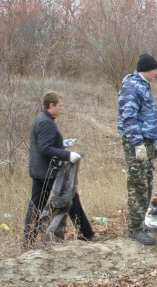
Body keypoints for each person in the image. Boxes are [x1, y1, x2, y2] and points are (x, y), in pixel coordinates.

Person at [23, 91, 102, 250]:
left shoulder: (41, 118)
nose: (62, 108)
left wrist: (62, 144)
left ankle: (28, 241)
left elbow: (44, 144)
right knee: (71, 198)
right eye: (60, 105)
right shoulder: (46, 122)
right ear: (51, 105)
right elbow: (45, 148)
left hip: (39, 171)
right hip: (48, 172)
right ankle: (86, 234)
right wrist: (68, 154)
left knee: (36, 206)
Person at [117, 53, 157, 245]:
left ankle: (141, 223)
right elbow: (129, 117)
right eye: (155, 69)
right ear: (149, 69)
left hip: (147, 142)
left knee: (147, 184)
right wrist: (137, 144)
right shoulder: (132, 87)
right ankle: (134, 229)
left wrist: (155, 142)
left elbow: (148, 116)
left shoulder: (143, 86)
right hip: (137, 144)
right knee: (138, 185)